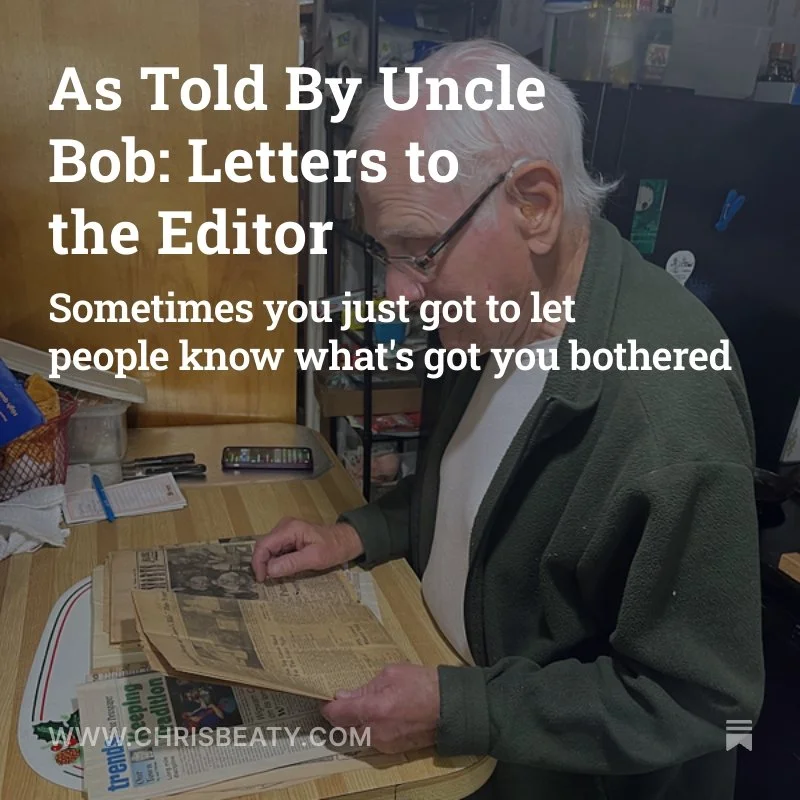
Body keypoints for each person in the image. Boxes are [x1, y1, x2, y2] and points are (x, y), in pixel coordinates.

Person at [252, 41, 764, 799]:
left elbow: (707, 706)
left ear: (535, 205)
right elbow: (474, 489)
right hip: (464, 727)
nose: (399, 295)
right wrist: (362, 531)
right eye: (382, 250)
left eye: (420, 251)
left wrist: (460, 708)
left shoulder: (667, 414)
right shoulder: (497, 311)